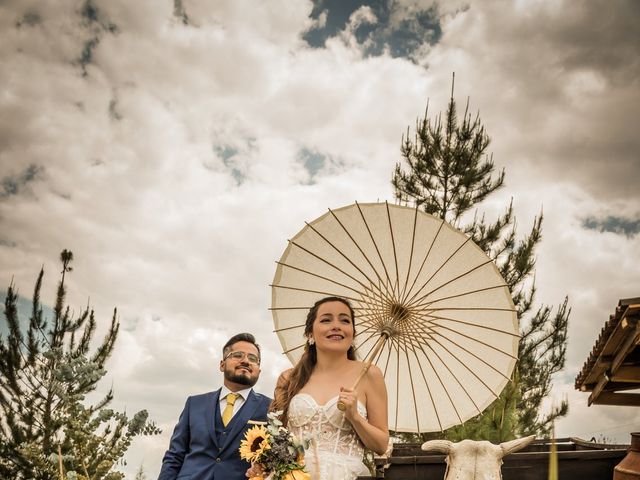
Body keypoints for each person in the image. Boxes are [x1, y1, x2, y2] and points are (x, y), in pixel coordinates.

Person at [269, 296, 389, 480]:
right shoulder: (289, 378)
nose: (336, 325)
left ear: (353, 333)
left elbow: (381, 444)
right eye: (326, 320)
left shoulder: (370, 375)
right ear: (310, 333)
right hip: (291, 475)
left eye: (345, 320)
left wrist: (355, 417)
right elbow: (277, 440)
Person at [158, 333, 271, 480]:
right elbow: (175, 455)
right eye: (238, 355)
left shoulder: (271, 408)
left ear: (259, 370)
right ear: (222, 364)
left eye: (253, 359)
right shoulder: (194, 404)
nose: (245, 361)